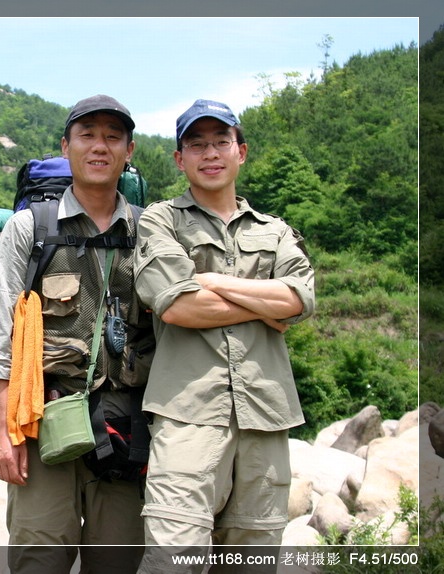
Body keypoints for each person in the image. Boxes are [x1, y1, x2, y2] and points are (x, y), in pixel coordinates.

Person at [133, 99, 315, 572]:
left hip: (266, 416)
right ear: (180, 159)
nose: (210, 153)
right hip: (187, 413)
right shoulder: (160, 220)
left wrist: (212, 280)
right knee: (173, 559)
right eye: (197, 145)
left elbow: (299, 299)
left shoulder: (275, 231)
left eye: (221, 142)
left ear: (241, 152)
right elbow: (179, 305)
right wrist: (266, 306)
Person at [0, 94, 151, 574]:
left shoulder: (150, 231)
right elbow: (0, 337)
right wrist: (3, 434)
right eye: (87, 135)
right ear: (65, 146)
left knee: (118, 563)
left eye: (112, 137)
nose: (99, 146)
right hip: (43, 422)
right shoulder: (29, 228)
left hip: (124, 427)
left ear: (129, 150)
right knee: (39, 559)